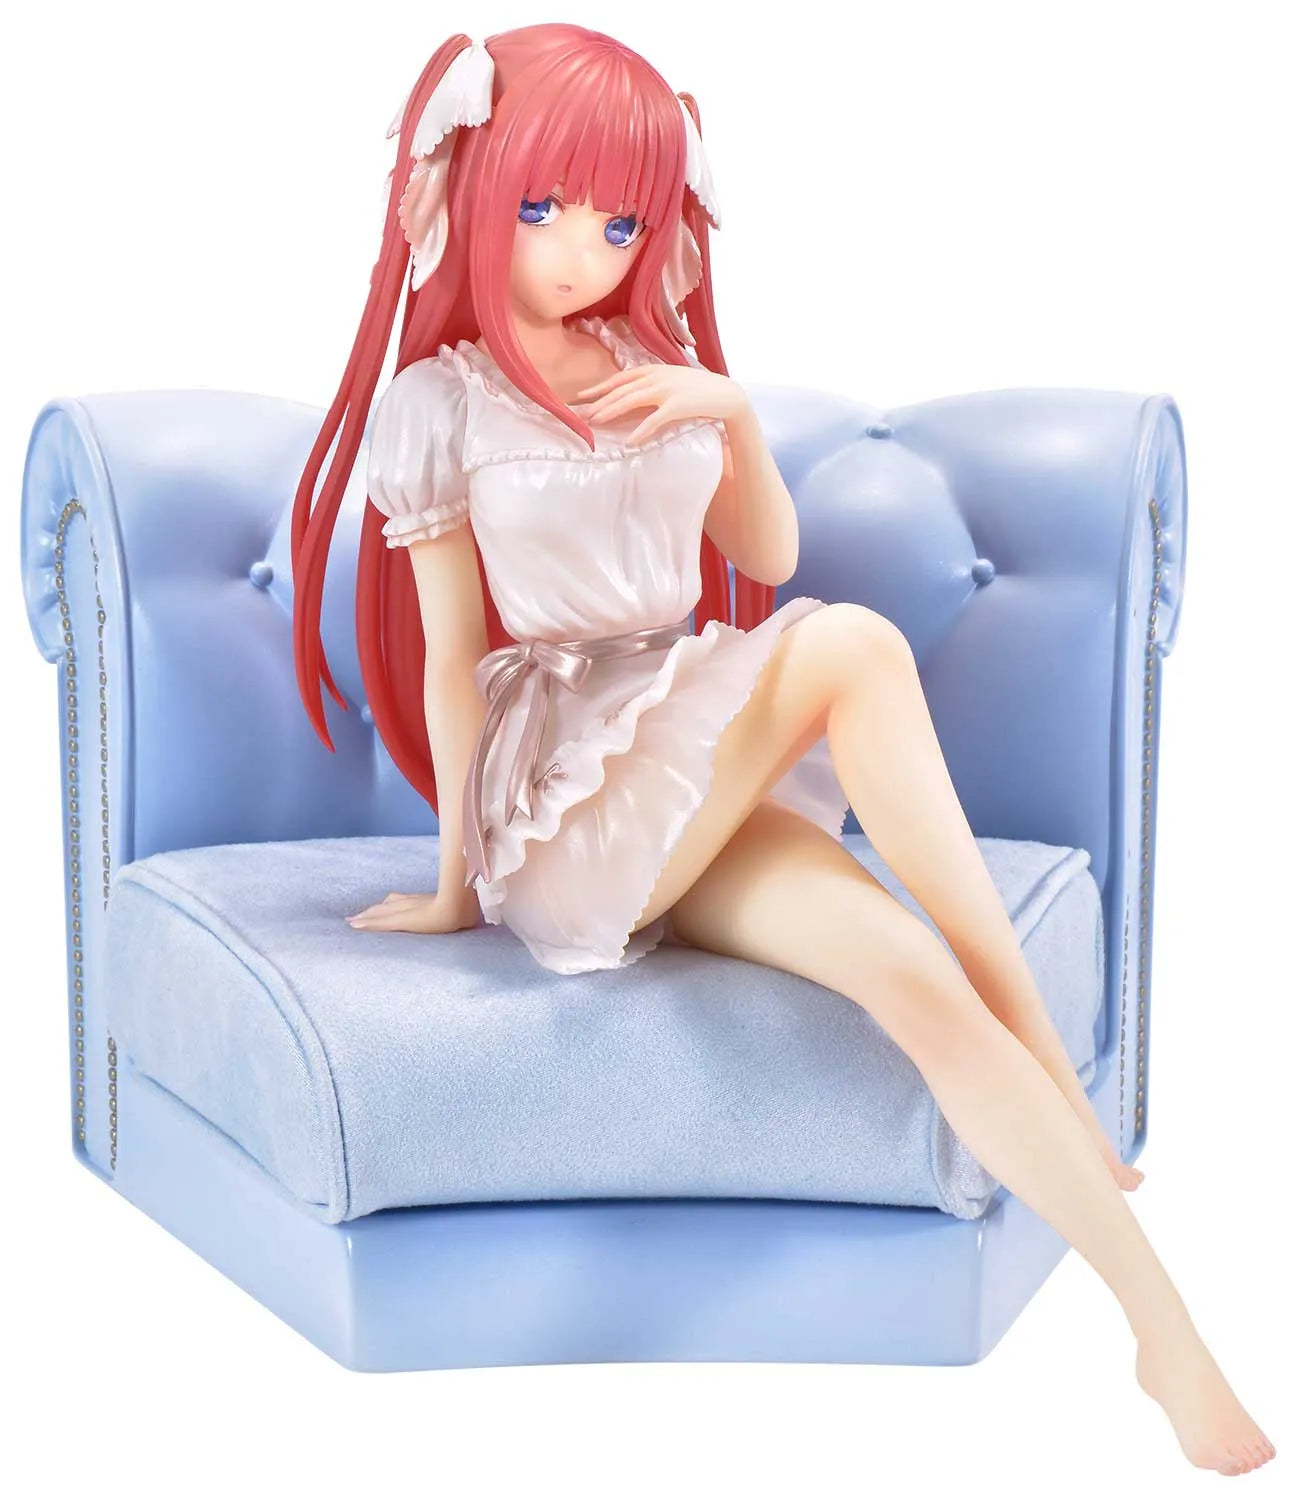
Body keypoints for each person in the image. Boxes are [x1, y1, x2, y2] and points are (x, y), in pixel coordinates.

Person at [290, 23, 1274, 1474]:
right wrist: (454, 887)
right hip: (567, 794)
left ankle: (1161, 1333)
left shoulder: (654, 360)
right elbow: (449, 663)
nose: (582, 253)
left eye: (621, 222)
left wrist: (733, 413)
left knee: (907, 974)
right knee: (855, 646)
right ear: (479, 187)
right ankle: (1058, 1067)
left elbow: (761, 552)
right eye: (545, 208)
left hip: (686, 751)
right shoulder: (442, 401)